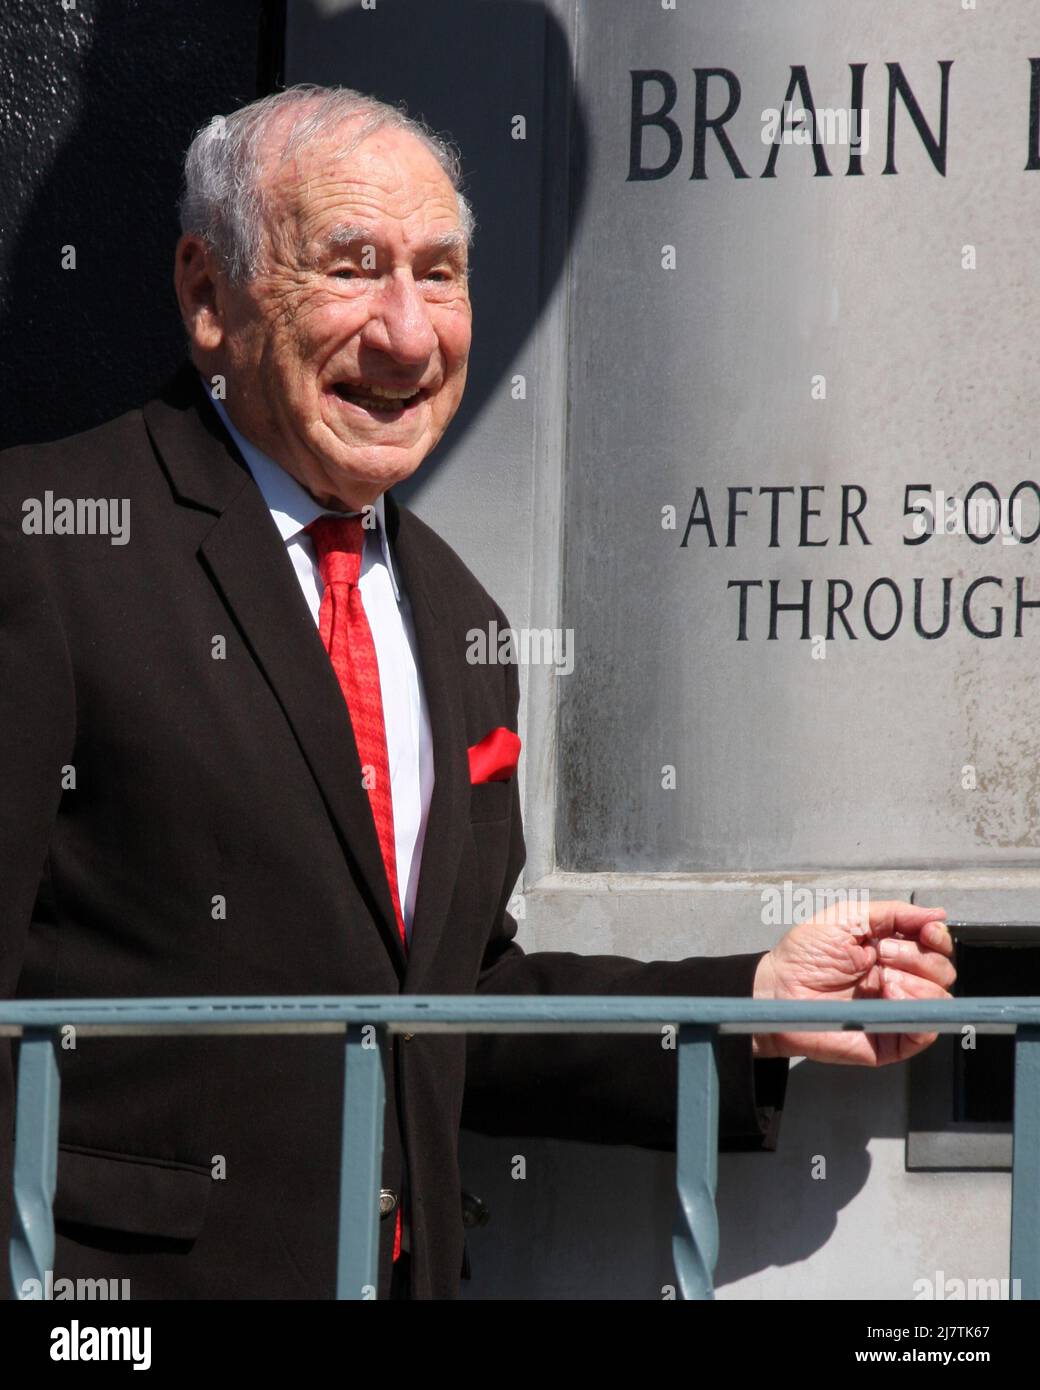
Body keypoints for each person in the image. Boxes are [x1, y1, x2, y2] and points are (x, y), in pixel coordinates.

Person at [0, 84, 955, 1300]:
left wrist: (751, 1002)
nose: (408, 335)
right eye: (352, 267)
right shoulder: (46, 544)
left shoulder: (459, 618)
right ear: (207, 293)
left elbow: (445, 1005)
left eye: (439, 274)